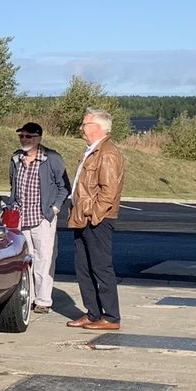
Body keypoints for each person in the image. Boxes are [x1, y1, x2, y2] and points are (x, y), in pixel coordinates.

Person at [67, 108, 125, 331]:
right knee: (83, 267)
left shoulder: (107, 153)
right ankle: (93, 313)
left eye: (84, 124)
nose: (81, 128)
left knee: (101, 267)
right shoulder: (92, 150)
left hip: (97, 219)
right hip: (82, 217)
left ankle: (111, 317)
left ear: (98, 127)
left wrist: (94, 215)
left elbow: (109, 191)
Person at [8, 121, 71, 314]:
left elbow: (64, 187)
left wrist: (54, 208)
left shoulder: (51, 158)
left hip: (42, 217)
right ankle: (29, 297)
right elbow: (13, 185)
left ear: (38, 138)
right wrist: (12, 207)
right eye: (21, 136)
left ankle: (43, 300)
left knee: (44, 258)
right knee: (25, 259)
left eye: (29, 136)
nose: (24, 139)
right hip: (21, 217)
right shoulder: (16, 158)